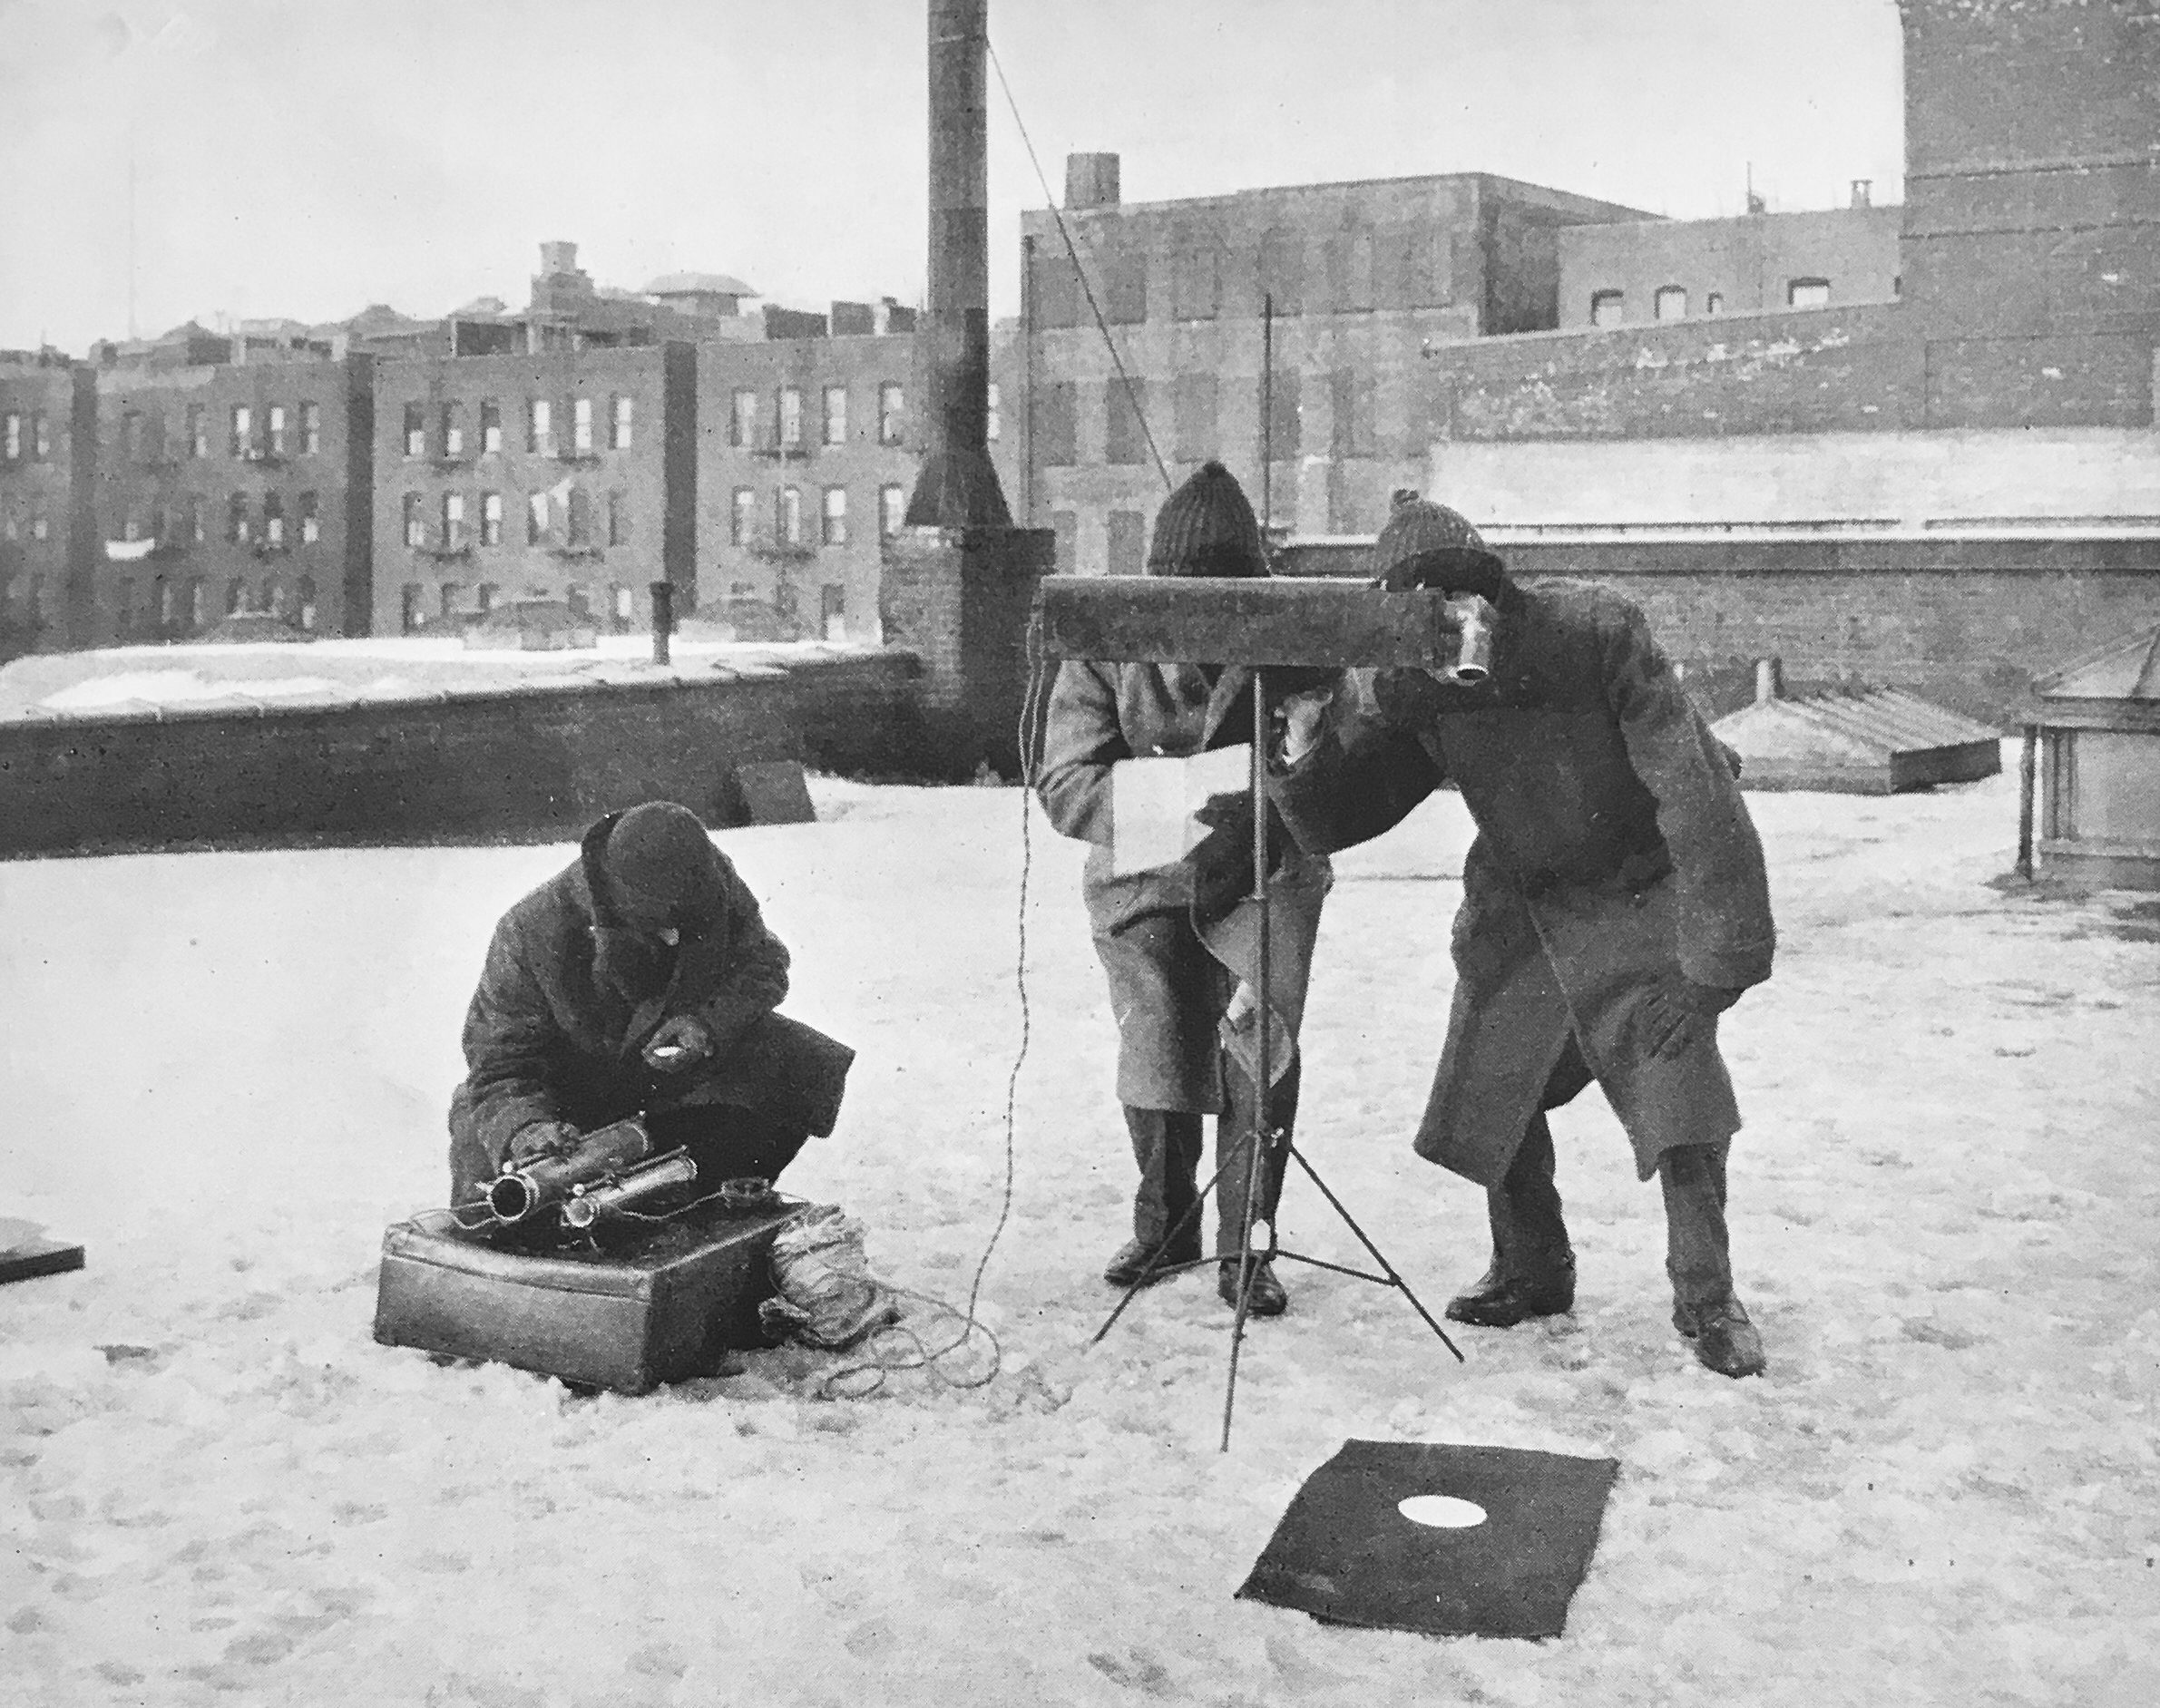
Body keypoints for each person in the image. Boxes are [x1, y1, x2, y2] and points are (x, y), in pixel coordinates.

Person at [1267, 496, 1775, 1377]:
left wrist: (1712, 964)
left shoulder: (1595, 632)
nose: (1460, 626)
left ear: (1495, 589)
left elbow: (1694, 791)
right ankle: (1530, 1267)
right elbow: (1351, 807)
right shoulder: (1411, 683)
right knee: (1496, 1096)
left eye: (1468, 599)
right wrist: (1306, 739)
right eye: (1430, 610)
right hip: (1523, 899)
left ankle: (1706, 1298)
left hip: (1637, 886)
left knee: (1676, 1091)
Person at [1036, 461, 1335, 1317]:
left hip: (1266, 872)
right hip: (1145, 877)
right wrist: (1210, 797)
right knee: (1159, 1036)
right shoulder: (1105, 642)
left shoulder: (1296, 637)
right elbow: (1066, 786)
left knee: (1257, 1040)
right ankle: (1165, 1222)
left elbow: (1336, 773)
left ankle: (1251, 1243)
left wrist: (1303, 755)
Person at [445, 800, 854, 1206]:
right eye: (658, 926)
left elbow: (762, 963)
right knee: (497, 1203)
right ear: (617, 904)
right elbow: (499, 1063)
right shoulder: (530, 930)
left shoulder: (709, 876)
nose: (674, 938)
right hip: (565, 1100)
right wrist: (527, 1128)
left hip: (663, 1081)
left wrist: (706, 1024)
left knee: (797, 1060)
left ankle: (704, 1197)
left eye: (685, 924)